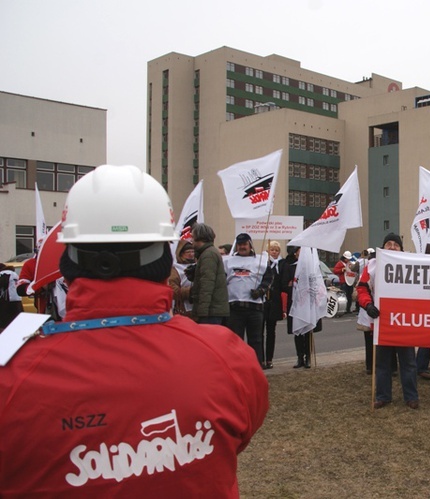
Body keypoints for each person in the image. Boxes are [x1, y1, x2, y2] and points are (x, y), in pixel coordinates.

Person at [0, 164, 268, 496]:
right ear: (162, 259)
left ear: (67, 262)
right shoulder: (228, 357)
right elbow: (237, 436)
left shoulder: (12, 376)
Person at [357, 233, 419, 409]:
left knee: (408, 362)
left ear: (401, 248)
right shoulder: (372, 265)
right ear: (382, 247)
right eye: (388, 244)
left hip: (404, 322)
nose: (392, 247)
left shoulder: (411, 263)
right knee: (382, 363)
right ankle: (383, 396)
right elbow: (362, 289)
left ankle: (411, 396)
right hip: (382, 322)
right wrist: (368, 305)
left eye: (396, 245)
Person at [225, 233, 273, 364]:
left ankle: (256, 365)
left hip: (255, 307)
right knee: (235, 339)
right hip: (235, 307)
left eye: (244, 244)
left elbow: (269, 278)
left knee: (256, 339)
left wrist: (261, 291)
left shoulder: (261, 260)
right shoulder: (228, 261)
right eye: (240, 244)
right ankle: (237, 365)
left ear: (250, 245)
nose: (242, 247)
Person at [190, 223, 229, 324]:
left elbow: (207, 285)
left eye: (193, 237)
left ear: (199, 237)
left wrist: (201, 312)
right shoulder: (208, 253)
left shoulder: (208, 255)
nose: (191, 240)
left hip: (211, 312)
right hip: (213, 310)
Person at [282, 246, 311, 369]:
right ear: (296, 254)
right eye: (300, 251)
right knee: (298, 332)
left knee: (308, 331)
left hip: (308, 303)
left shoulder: (310, 267)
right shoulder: (290, 267)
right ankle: (300, 357)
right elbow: (285, 284)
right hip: (295, 303)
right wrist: (294, 287)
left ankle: (308, 357)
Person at [262, 240, 285, 369]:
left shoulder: (281, 264)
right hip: (263, 301)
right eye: (272, 250)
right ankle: (260, 358)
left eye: (276, 250)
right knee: (259, 332)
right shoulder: (264, 262)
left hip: (275, 302)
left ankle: (269, 358)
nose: (274, 252)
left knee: (271, 331)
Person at [168, 239, 195, 317]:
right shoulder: (175, 269)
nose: (191, 254)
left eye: (192, 251)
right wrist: (190, 291)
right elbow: (173, 290)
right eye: (188, 252)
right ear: (181, 253)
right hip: (183, 309)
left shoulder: (198, 265)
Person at [0, 263, 23, 330]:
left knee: (6, 322)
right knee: (15, 320)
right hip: (16, 299)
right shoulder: (13, 273)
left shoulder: (5, 273)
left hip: (7, 300)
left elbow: (3, 282)